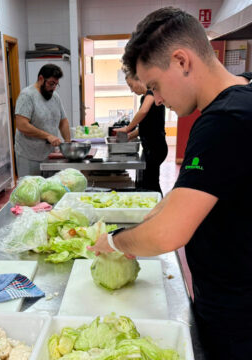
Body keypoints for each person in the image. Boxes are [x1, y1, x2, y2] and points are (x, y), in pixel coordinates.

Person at [89, 7, 252, 360]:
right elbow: (187, 195)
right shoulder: (243, 96)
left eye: (155, 86)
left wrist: (114, 243)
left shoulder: (222, 122)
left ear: (181, 61)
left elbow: (169, 236)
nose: (158, 99)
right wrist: (148, 218)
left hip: (238, 314)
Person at [14, 64, 71, 176]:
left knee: (50, 190)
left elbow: (63, 121)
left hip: (50, 155)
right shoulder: (27, 96)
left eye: (56, 84)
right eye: (51, 83)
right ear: (41, 79)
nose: (53, 87)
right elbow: (22, 125)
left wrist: (68, 143)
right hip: (29, 155)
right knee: (31, 190)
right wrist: (47, 136)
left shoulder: (55, 97)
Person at [115, 73, 167, 193]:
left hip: (156, 147)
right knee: (145, 182)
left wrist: (128, 128)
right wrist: (129, 136)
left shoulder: (152, 93)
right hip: (149, 147)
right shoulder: (145, 98)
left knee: (151, 184)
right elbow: (145, 125)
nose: (131, 90)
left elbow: (143, 112)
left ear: (139, 79)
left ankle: (158, 209)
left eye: (131, 85)